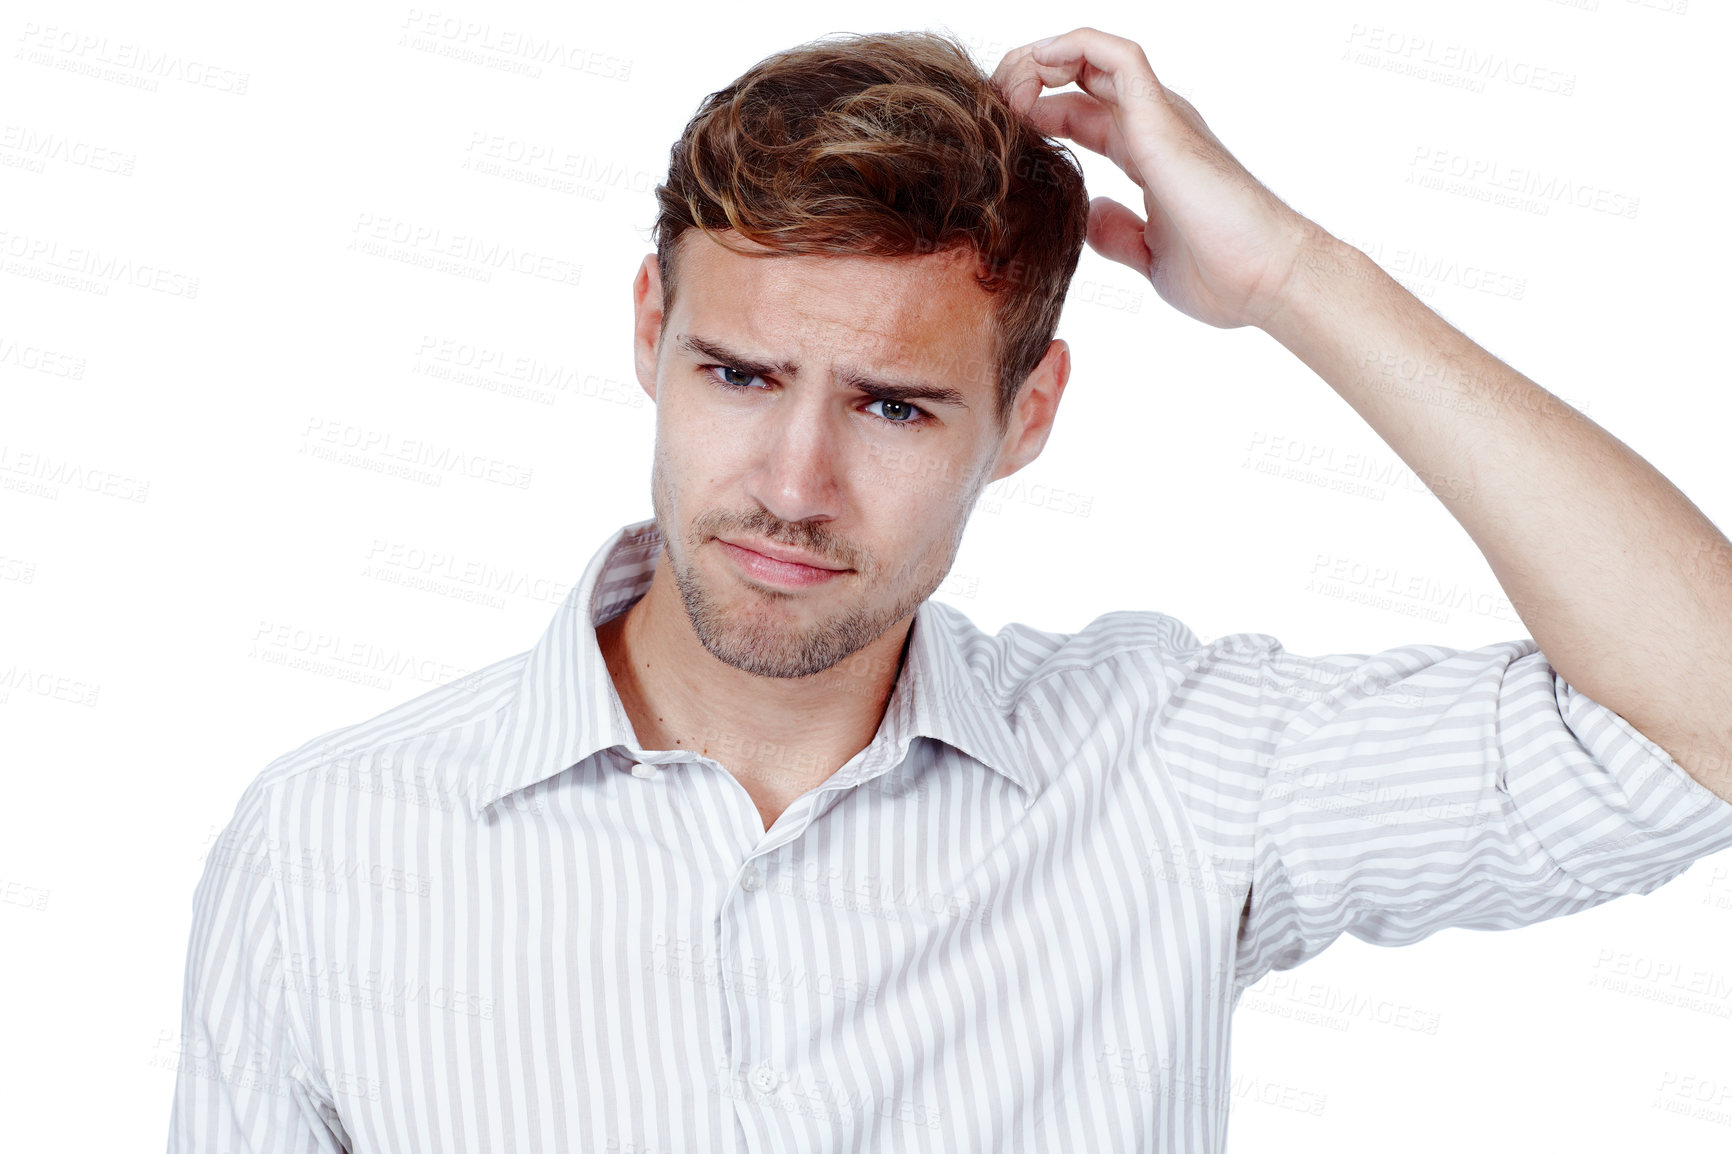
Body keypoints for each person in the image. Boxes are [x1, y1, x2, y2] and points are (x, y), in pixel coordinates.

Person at [168, 25, 1732, 1153]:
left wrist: (1287, 278)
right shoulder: (327, 847)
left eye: (894, 405)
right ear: (650, 329)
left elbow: (1708, 711)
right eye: (738, 371)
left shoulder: (1173, 767)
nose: (792, 479)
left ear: (1027, 416)